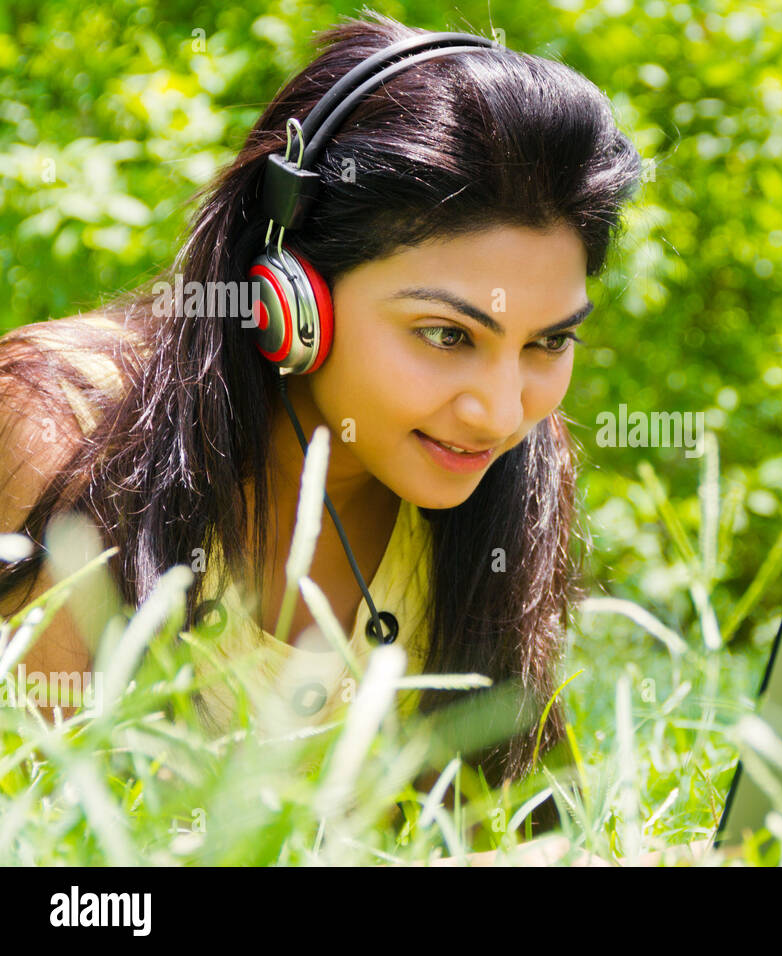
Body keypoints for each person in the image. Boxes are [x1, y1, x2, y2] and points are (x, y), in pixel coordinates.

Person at [0, 13, 644, 848]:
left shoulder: (502, 460)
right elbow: (67, 853)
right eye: (447, 336)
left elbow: (506, 834)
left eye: (548, 342)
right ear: (287, 302)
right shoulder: (63, 432)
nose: (502, 408)